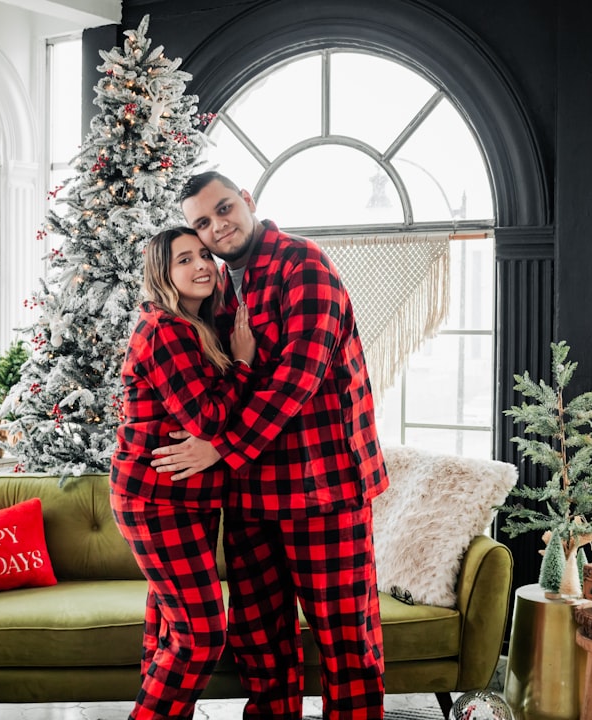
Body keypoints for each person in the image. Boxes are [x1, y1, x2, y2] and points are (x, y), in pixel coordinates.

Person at [152, 171, 390, 720]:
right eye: (202, 223)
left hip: (323, 488)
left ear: (249, 201)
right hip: (252, 494)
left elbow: (296, 380)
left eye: (225, 208)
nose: (218, 227)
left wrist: (218, 447)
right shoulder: (219, 285)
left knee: (345, 640)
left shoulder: (303, 266)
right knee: (261, 646)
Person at [110, 226, 255, 720]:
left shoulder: (196, 325)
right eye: (183, 260)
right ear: (162, 273)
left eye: (204, 256)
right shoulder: (165, 329)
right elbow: (207, 420)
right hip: (157, 500)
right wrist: (240, 363)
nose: (201, 266)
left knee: (170, 630)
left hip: (185, 499)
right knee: (201, 634)